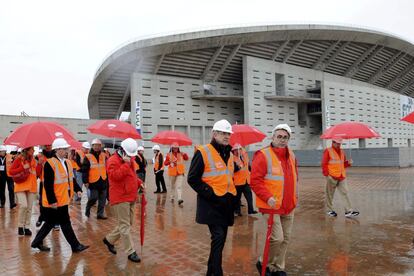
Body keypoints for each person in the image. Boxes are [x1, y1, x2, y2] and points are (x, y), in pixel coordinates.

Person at [187, 119, 236, 276]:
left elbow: (226, 176)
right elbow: (192, 178)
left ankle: (211, 271)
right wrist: (211, 194)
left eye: (228, 133)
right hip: (211, 204)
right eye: (223, 133)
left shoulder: (228, 152)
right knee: (218, 237)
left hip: (226, 204)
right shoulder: (203, 151)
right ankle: (217, 272)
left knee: (220, 241)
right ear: (214, 134)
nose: (226, 136)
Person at [250, 123, 298, 276]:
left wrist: (295, 196)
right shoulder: (263, 155)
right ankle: (262, 262)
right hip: (271, 204)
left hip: (289, 205)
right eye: (279, 136)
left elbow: (294, 177)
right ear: (273, 137)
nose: (282, 140)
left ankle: (277, 267)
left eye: (285, 137)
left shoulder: (291, 155)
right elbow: (255, 181)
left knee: (286, 239)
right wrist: (268, 197)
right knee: (277, 238)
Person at [31, 138, 88, 253]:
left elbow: (71, 178)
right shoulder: (49, 163)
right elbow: (47, 185)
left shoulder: (67, 162)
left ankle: (36, 242)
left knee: (50, 223)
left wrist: (77, 189)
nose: (66, 150)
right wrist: (52, 201)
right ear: (57, 150)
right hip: (56, 200)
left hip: (64, 197)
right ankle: (75, 246)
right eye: (64, 148)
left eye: (66, 148)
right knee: (65, 222)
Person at [103, 138, 142, 262]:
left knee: (127, 223)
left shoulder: (131, 159)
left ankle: (109, 239)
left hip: (131, 196)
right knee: (125, 226)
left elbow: (132, 176)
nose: (131, 157)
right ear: (122, 150)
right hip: (120, 197)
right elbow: (115, 176)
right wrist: (125, 164)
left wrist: (140, 183)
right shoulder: (112, 160)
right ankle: (131, 252)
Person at [321, 138, 360, 218]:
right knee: (330, 194)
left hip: (342, 176)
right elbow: (324, 164)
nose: (339, 145)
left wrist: (348, 163)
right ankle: (330, 210)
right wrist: (327, 175)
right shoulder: (328, 151)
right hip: (332, 176)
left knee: (345, 193)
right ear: (333, 142)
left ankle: (348, 211)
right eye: (337, 143)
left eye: (340, 143)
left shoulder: (342, 152)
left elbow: (342, 164)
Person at [9, 146, 37, 236]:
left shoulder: (34, 160)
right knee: (24, 206)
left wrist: (40, 164)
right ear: (27, 150)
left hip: (31, 186)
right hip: (20, 186)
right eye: (32, 149)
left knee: (29, 208)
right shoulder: (18, 159)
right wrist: (23, 167)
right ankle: (20, 226)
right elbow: (11, 171)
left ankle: (27, 227)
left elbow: (37, 172)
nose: (34, 151)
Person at [82, 138, 108, 219]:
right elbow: (84, 170)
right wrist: (85, 181)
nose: (97, 147)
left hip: (103, 180)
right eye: (95, 145)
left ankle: (100, 214)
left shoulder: (104, 155)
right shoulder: (88, 157)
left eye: (98, 145)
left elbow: (107, 167)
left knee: (103, 199)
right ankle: (88, 207)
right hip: (93, 181)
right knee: (94, 197)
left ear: (100, 146)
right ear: (92, 146)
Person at [231, 144, 257, 216]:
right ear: (233, 151)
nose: (238, 151)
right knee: (237, 198)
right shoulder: (232, 158)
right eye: (236, 150)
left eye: (239, 149)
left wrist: (251, 169)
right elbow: (232, 170)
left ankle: (251, 210)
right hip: (238, 182)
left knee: (249, 196)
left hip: (246, 180)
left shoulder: (244, 156)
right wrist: (238, 167)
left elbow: (248, 166)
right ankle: (237, 211)